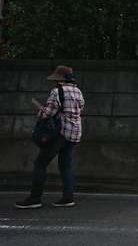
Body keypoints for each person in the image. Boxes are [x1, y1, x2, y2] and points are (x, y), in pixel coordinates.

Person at [15, 65, 85, 209]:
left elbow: (48, 113)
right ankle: (68, 197)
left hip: (60, 132)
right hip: (75, 132)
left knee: (40, 163)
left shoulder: (57, 91)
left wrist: (41, 110)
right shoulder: (78, 91)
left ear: (58, 80)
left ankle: (35, 198)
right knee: (65, 165)